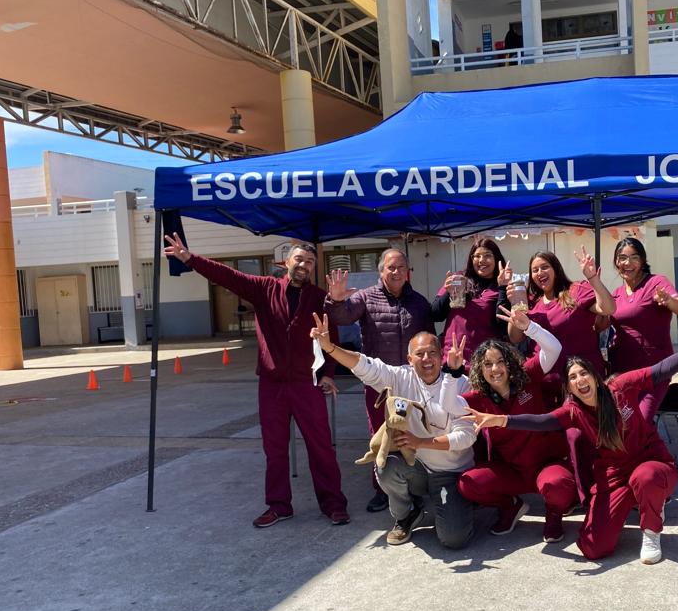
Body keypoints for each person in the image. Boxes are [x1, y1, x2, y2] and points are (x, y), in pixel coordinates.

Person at [467, 322, 678, 564]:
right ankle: (639, 500)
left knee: (646, 478)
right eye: (572, 378)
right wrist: (502, 420)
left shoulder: (621, 387)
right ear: (569, 388)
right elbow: (542, 421)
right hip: (614, 476)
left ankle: (651, 529)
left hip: (651, 463)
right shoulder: (573, 411)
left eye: (583, 373)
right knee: (593, 547)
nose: (579, 380)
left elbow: (662, 369)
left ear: (594, 376)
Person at [162, 234, 348, 528]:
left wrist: (327, 373)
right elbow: (227, 276)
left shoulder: (318, 299)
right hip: (272, 385)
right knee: (274, 450)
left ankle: (333, 504)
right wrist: (190, 259)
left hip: (306, 384)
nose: (304, 265)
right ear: (286, 261)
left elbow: (332, 339)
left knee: (321, 446)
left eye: (309, 262)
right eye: (299, 259)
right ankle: (279, 505)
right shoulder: (264, 288)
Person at [311, 313, 476, 549]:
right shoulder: (400, 377)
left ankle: (457, 503)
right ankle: (408, 512)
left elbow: (466, 437)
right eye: (419, 354)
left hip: (450, 472)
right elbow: (362, 364)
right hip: (416, 468)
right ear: (410, 359)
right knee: (385, 464)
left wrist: (420, 442)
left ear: (441, 357)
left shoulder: (460, 383)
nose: (426, 359)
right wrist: (329, 347)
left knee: (453, 540)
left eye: (432, 353)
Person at [454, 306, 577, 543]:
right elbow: (446, 405)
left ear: (510, 363)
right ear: (480, 370)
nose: (495, 369)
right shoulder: (478, 397)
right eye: (487, 365)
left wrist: (530, 328)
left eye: (500, 361)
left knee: (558, 485)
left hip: (547, 466)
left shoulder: (527, 376)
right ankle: (510, 505)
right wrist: (452, 372)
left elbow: (554, 349)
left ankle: (554, 513)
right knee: (468, 484)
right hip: (513, 471)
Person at [326, 249, 434, 513]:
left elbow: (430, 340)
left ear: (407, 271)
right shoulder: (365, 297)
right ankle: (383, 490)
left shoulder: (419, 302)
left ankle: (415, 486)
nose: (395, 272)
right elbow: (342, 317)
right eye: (390, 267)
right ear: (381, 271)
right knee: (381, 437)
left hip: (411, 383)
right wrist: (335, 300)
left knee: (413, 434)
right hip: (380, 383)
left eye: (400, 267)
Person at [605, 236, 678, 422]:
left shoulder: (656, 283)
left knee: (641, 421)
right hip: (623, 371)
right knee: (624, 422)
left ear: (643, 261)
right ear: (616, 262)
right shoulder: (616, 294)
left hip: (655, 370)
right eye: (622, 258)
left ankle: (652, 451)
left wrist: (668, 300)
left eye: (634, 257)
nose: (628, 263)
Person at [507, 248, 615, 388]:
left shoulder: (576, 290)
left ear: (556, 269)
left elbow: (608, 309)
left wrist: (593, 278)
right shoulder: (531, 302)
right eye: (535, 270)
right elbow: (515, 337)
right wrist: (515, 304)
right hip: (546, 384)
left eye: (545, 267)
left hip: (582, 381)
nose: (540, 272)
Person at [430, 238, 510, 369]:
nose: (481, 260)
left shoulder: (501, 286)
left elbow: (502, 327)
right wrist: (448, 293)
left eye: (488, 256)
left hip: (485, 361)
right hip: (453, 357)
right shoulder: (458, 279)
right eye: (477, 256)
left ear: (497, 259)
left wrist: (502, 288)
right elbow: (435, 315)